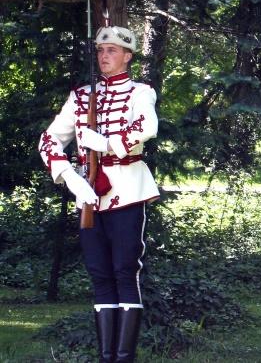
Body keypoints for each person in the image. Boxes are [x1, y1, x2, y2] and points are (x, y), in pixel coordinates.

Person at [37, 25, 159, 362]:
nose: (104, 56)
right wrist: (69, 177)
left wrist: (106, 143)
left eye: (112, 51)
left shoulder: (139, 92)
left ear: (127, 56)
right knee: (99, 274)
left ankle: (123, 357)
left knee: (124, 269)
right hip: (87, 193)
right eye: (101, 50)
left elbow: (147, 127)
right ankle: (106, 357)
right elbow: (48, 140)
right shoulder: (80, 96)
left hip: (128, 190)